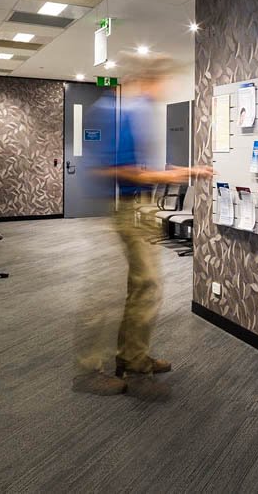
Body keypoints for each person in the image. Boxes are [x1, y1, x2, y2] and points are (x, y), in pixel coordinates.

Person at [76, 53, 212, 396]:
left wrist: (174, 171)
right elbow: (123, 170)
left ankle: (133, 357)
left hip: (140, 208)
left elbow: (139, 164)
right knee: (123, 291)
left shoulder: (137, 113)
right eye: (163, 81)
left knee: (143, 288)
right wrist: (180, 174)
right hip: (128, 209)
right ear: (151, 78)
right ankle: (90, 371)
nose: (165, 88)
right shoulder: (122, 112)